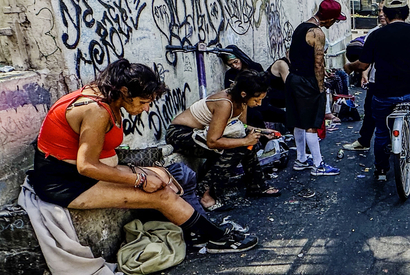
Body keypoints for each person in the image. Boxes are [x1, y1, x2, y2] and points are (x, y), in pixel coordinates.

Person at [29, 58, 257, 254]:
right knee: (160, 194)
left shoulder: (106, 95)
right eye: (144, 102)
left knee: (167, 178)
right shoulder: (95, 110)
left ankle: (198, 231)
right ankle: (217, 238)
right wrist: (139, 179)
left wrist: (141, 174)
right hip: (66, 183)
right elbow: (86, 166)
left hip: (88, 173)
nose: (147, 109)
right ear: (125, 92)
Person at [344, 0, 410, 181]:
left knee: (381, 131)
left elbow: (362, 65)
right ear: (406, 12)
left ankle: (380, 170)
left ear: (385, 13)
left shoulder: (376, 36)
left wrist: (349, 66)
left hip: (383, 95)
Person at [166, 70, 281, 212]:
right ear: (244, 94)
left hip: (204, 133)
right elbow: (213, 142)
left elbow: (241, 127)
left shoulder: (241, 101)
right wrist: (245, 141)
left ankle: (256, 185)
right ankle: (205, 193)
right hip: (181, 133)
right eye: (257, 100)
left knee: (246, 144)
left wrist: (262, 132)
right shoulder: (225, 103)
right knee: (239, 147)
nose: (259, 103)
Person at [286, 0, 345, 176]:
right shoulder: (317, 33)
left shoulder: (301, 27)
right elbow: (318, 64)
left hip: (293, 78)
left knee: (298, 120)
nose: (334, 23)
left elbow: (291, 54)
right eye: (335, 20)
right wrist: (320, 87)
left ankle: (301, 159)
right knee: (312, 122)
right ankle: (318, 165)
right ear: (328, 19)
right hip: (307, 81)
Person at [343, 9, 388, 151]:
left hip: (396, 81)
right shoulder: (373, 33)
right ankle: (364, 141)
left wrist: (350, 66)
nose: (381, 14)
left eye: (384, 11)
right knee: (370, 111)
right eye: (379, 11)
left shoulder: (405, 32)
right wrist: (364, 74)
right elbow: (367, 60)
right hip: (376, 80)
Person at [219, 45, 285, 128]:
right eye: (231, 64)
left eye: (236, 62)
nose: (234, 66)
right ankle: (265, 140)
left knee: (284, 116)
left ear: (240, 58)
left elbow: (264, 87)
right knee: (256, 117)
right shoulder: (230, 75)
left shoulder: (255, 67)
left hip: (261, 103)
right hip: (246, 107)